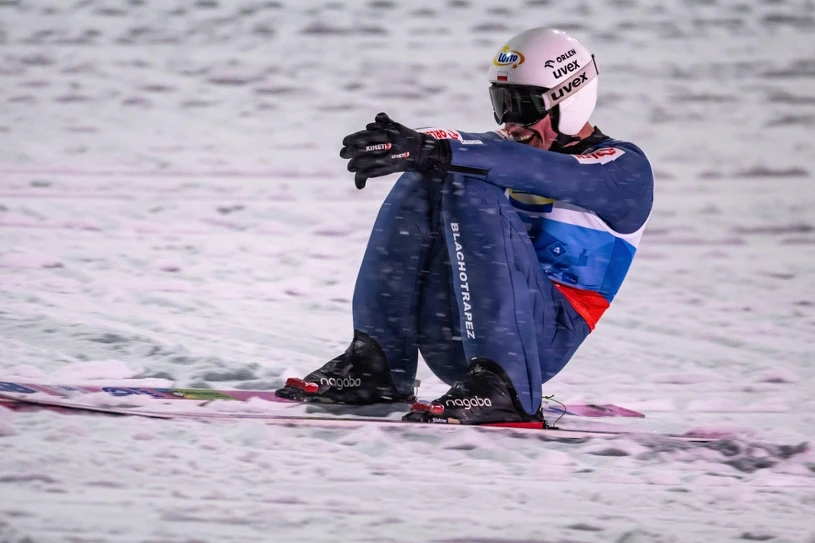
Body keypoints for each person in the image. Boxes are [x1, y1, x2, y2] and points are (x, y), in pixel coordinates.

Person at [276, 27, 654, 425]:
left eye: (523, 106)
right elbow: (470, 145)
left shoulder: (625, 170)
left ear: (570, 100)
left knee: (463, 174)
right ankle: (376, 365)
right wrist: (413, 143)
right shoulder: (511, 147)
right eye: (501, 104)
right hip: (459, 336)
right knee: (430, 171)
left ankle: (508, 392)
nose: (511, 122)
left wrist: (437, 149)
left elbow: (551, 172)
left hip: (535, 345)